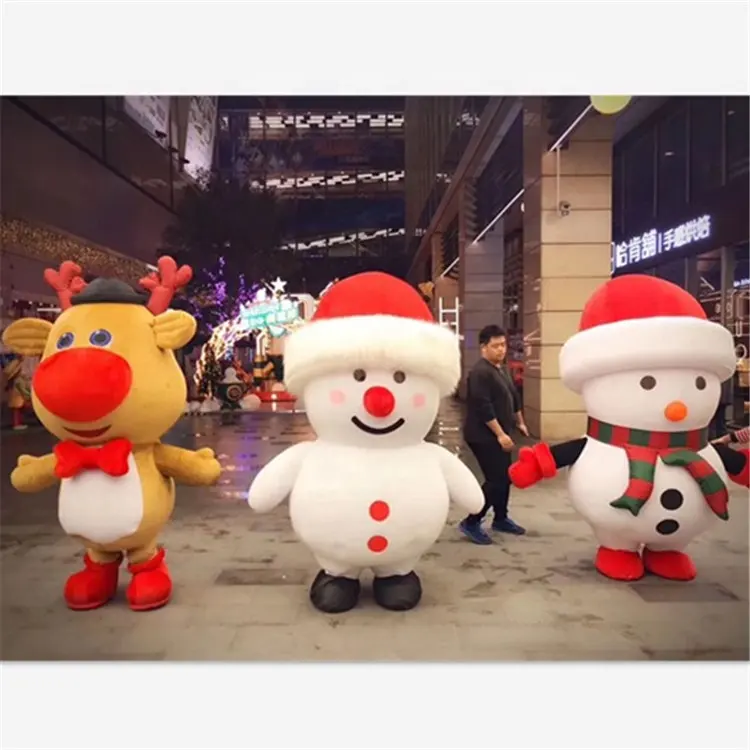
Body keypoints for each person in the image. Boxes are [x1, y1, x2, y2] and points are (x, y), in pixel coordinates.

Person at [459, 324, 529, 544]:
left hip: (500, 432)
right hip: (482, 435)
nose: (501, 350)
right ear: (483, 348)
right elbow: (483, 406)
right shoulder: (480, 373)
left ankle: (501, 518)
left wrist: (520, 422)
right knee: (495, 480)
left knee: (505, 477)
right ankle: (471, 521)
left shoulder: (502, 369)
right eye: (495, 346)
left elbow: (513, 397)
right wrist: (500, 434)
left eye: (503, 345)